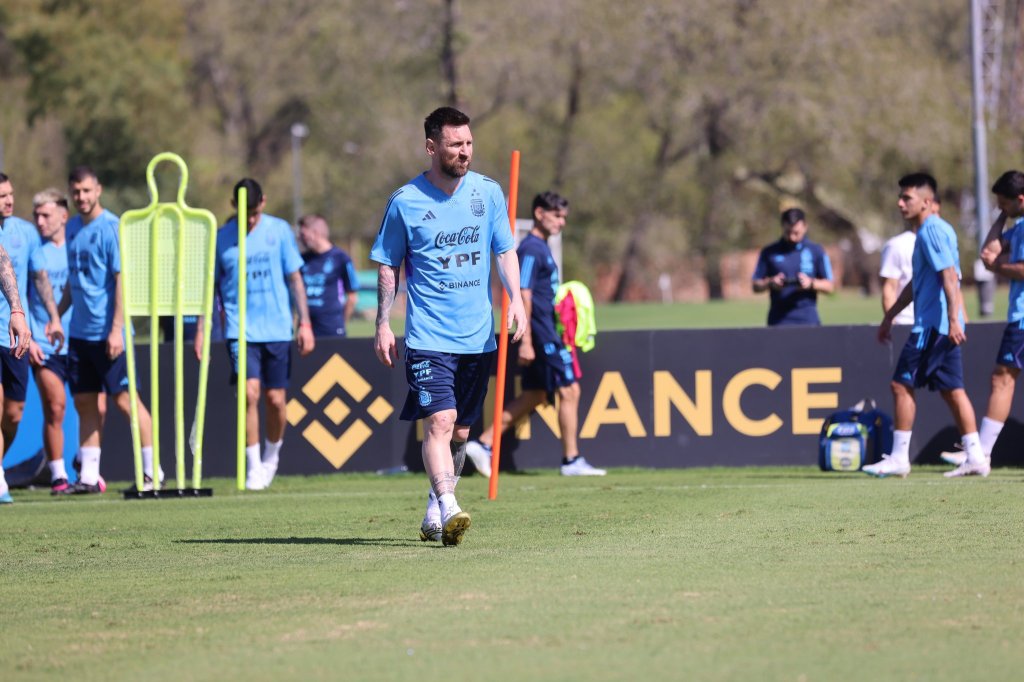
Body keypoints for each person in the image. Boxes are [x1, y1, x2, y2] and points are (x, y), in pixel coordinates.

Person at [371, 106, 526, 547]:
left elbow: (505, 251)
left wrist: (516, 300)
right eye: (456, 144)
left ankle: (435, 507)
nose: (465, 152)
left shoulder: (488, 193)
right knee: (440, 420)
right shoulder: (406, 201)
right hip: (428, 337)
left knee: (460, 431)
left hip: (478, 336)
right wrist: (384, 323)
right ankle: (451, 504)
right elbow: (388, 266)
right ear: (431, 147)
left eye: (469, 143)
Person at [465, 191, 605, 478]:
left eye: (564, 216)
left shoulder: (542, 247)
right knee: (569, 390)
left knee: (534, 395)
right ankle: (571, 460)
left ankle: (484, 444)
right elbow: (522, 291)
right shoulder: (531, 248)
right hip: (541, 335)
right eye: (556, 215)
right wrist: (526, 338)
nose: (561, 222)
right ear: (539, 214)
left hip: (546, 331)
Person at [865, 172, 988, 478]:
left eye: (907, 198)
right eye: (901, 197)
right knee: (952, 390)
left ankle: (899, 458)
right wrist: (890, 315)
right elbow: (917, 286)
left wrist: (951, 321)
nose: (900, 203)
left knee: (900, 384)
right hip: (942, 325)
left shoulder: (932, 230)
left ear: (927, 202)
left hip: (933, 327)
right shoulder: (929, 231)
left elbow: (950, 276)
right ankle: (976, 457)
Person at [195, 178, 315, 490]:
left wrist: (304, 323)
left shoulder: (279, 231)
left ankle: (270, 458)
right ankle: (252, 468)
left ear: (262, 203)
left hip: (275, 328)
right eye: (242, 211)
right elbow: (209, 292)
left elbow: (295, 279)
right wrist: (201, 331)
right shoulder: (221, 238)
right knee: (249, 394)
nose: (249, 218)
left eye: (254, 211)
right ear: (233, 206)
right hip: (240, 330)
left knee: (276, 400)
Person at [57, 165, 157, 495]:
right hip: (80, 334)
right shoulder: (71, 228)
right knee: (85, 403)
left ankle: (151, 472)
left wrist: (117, 330)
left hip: (109, 334)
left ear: (98, 190)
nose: (81, 197)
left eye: (86, 191)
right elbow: (75, 281)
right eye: (76, 192)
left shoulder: (112, 228)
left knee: (127, 402)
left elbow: (122, 281)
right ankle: (88, 476)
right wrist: (57, 316)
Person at [939, 170, 1024, 468]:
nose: (1000, 209)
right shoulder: (1019, 225)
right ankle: (980, 453)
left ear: (1021, 200)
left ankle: (981, 454)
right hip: (1019, 316)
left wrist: (1001, 268)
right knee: (1003, 378)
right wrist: (1004, 217)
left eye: (1004, 204)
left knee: (1002, 378)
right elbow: (988, 253)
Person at [27, 189, 74, 493]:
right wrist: (30, 336)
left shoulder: (78, 247)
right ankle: (57, 474)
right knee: (55, 407)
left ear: (63, 216)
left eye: (46, 214)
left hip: (81, 340)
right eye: (36, 215)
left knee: (97, 406)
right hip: (44, 345)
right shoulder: (33, 250)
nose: (40, 221)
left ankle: (87, 464)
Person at [0, 177, 40, 504]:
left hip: (11, 335)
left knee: (13, 414)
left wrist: (17, 310)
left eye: (10, 194)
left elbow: (5, 265)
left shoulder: (22, 232)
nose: (8, 200)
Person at [752, 208, 835, 326]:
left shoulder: (816, 251)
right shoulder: (769, 252)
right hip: (778, 321)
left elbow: (830, 286)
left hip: (808, 320)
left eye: (796, 233)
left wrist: (810, 283)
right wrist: (770, 283)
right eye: (788, 232)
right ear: (782, 227)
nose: (792, 237)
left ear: (805, 227)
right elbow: (755, 285)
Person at [298, 213, 358, 337]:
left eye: (303, 234)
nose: (300, 238)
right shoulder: (302, 259)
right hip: (307, 329)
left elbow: (352, 297)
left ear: (315, 233)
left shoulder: (341, 258)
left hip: (332, 329)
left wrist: (341, 323)